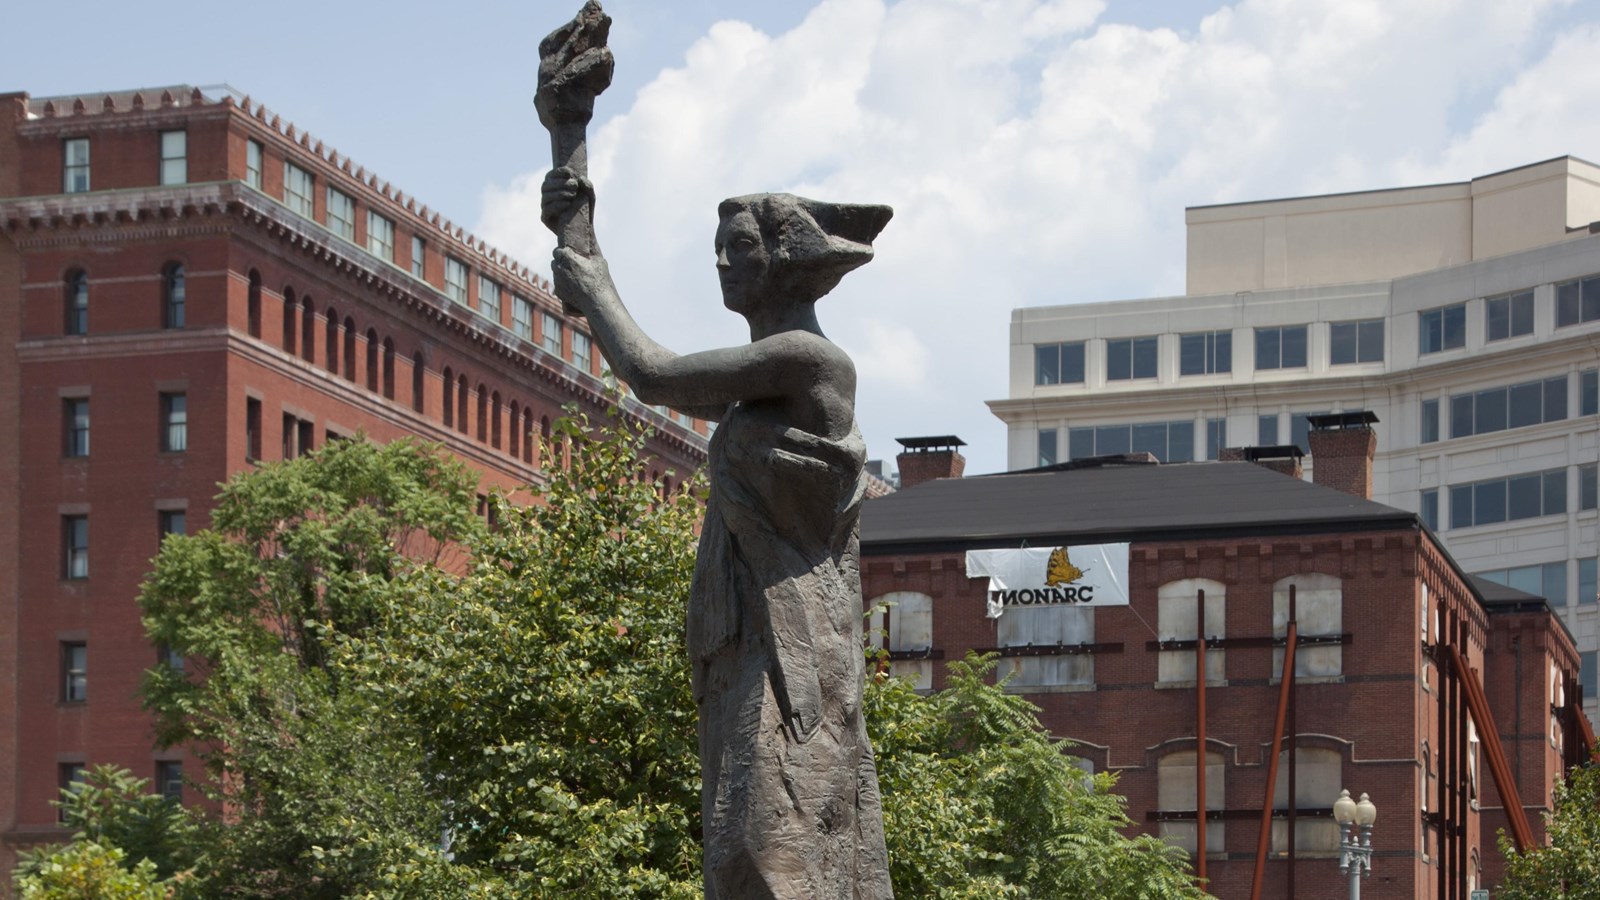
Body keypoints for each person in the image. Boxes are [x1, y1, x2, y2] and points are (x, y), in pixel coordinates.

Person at [542, 170, 894, 900]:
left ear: (786, 260)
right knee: (741, 844)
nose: (722, 263)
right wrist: (578, 207)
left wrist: (596, 285)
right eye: (718, 249)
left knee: (773, 845)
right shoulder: (762, 388)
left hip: (797, 646)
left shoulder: (811, 360)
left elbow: (655, 375)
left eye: (738, 247)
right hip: (743, 636)